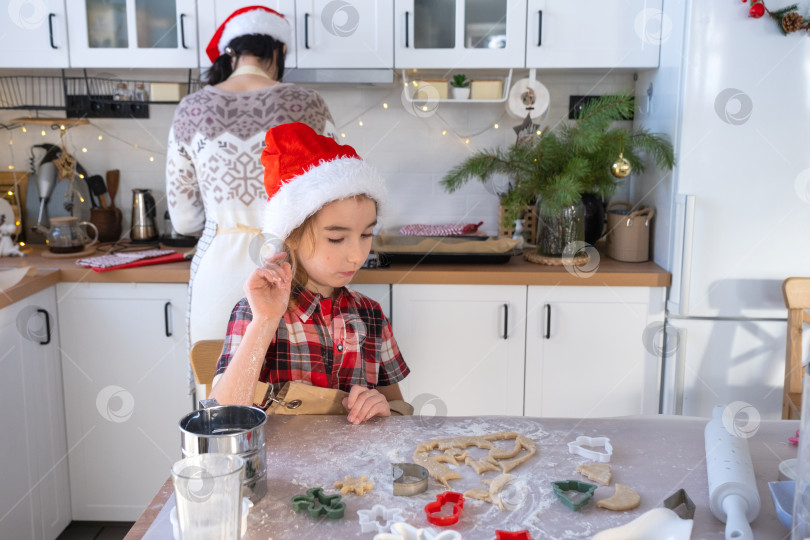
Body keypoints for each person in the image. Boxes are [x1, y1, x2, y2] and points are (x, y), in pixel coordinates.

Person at [209, 123, 410, 424]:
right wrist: (264, 321)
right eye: (336, 238)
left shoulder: (371, 316)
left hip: (356, 471)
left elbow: (399, 410)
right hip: (276, 471)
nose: (357, 254)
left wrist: (382, 407)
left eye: (366, 234)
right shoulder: (255, 313)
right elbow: (222, 419)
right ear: (290, 235)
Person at [166, 6, 336, 347]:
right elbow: (334, 194)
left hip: (217, 270)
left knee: (219, 387)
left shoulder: (191, 109)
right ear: (280, 50)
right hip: (289, 270)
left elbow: (184, 221)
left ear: (232, 54)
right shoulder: (308, 104)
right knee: (297, 391)